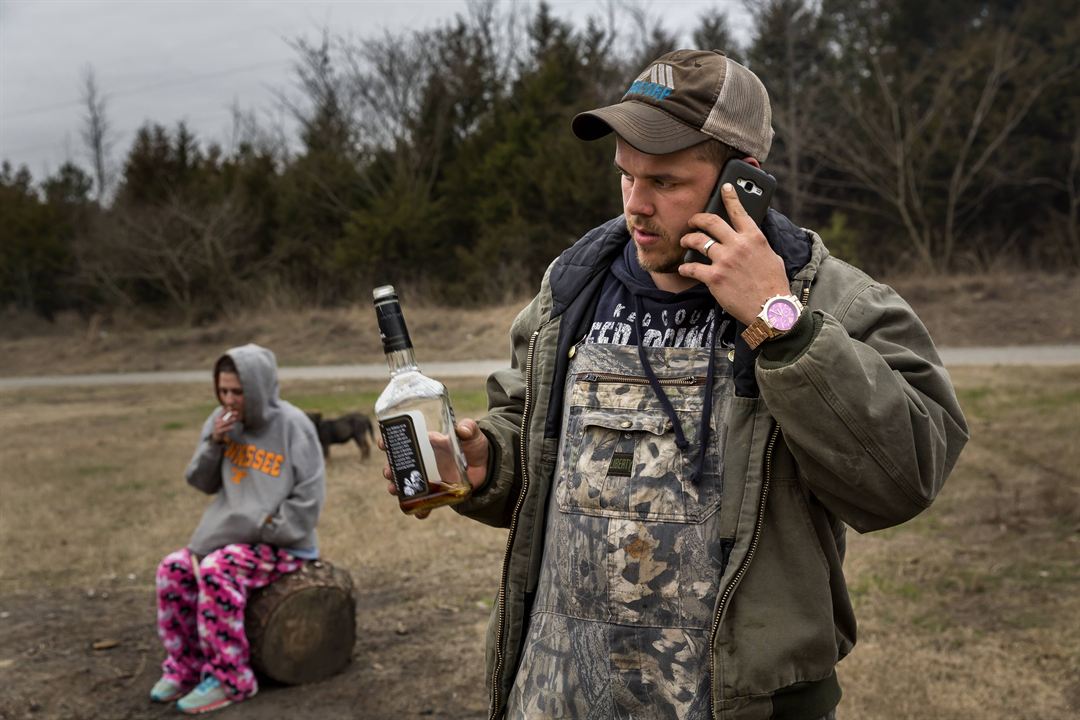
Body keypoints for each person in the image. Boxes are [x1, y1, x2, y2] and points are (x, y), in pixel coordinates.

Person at [382, 49, 968, 719]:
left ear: (743, 182)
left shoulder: (831, 298)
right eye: (625, 176)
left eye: (663, 181)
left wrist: (785, 327)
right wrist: (489, 462)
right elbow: (526, 436)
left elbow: (905, 477)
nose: (636, 205)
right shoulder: (571, 288)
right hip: (557, 698)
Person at [150, 344, 326, 714]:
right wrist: (214, 442)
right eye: (223, 391)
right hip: (229, 537)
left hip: (283, 543)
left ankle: (232, 678)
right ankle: (186, 668)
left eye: (238, 392)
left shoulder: (294, 426)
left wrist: (266, 525)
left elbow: (308, 500)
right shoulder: (221, 422)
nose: (229, 399)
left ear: (259, 389)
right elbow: (201, 482)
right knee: (172, 570)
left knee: (217, 569)